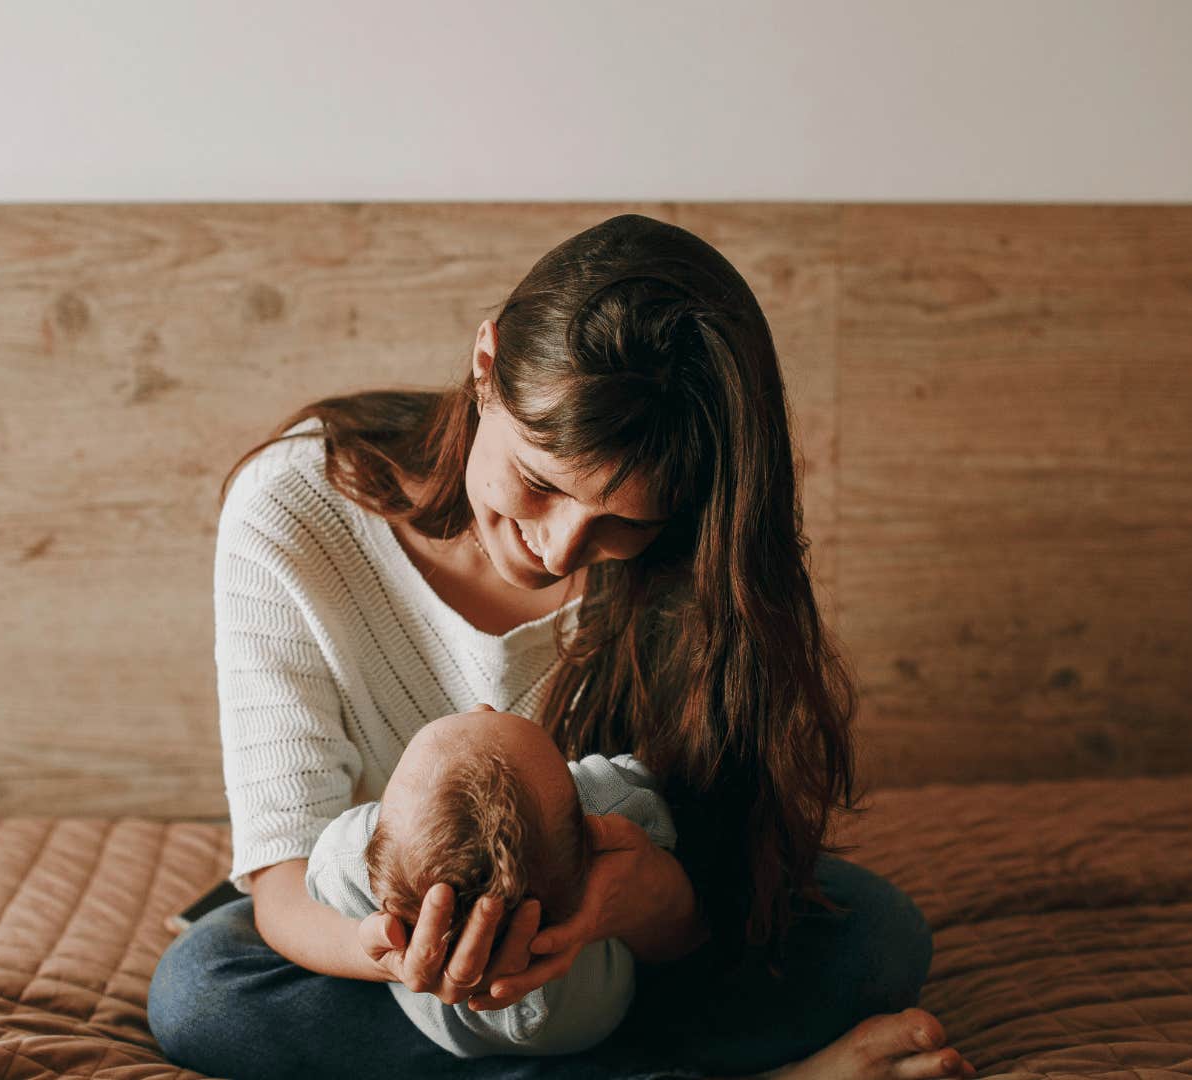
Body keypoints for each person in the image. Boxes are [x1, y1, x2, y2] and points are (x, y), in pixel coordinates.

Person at [148, 213, 975, 1080]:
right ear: (485, 368)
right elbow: (284, 883)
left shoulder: (697, 560)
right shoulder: (294, 510)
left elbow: (720, 880)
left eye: (624, 521)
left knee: (875, 941)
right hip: (384, 944)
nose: (562, 548)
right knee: (206, 995)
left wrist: (650, 903)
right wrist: (402, 955)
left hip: (614, 954)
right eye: (540, 483)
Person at [305, 705, 676, 1058]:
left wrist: (377, 843)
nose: (482, 707)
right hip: (595, 1010)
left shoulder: (352, 854)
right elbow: (656, 813)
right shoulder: (601, 804)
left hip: (444, 1027)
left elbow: (318, 881)